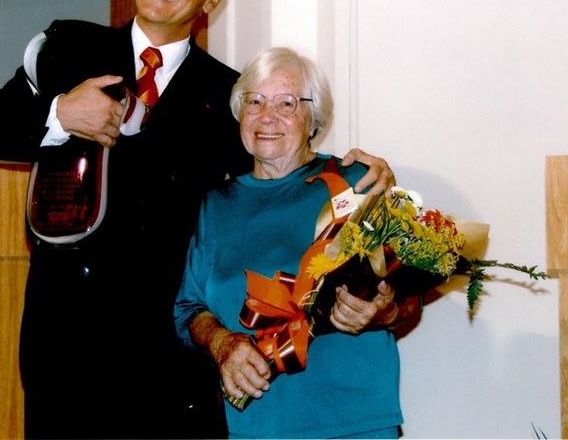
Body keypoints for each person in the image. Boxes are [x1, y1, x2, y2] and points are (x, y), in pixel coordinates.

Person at [0, 0, 395, 440]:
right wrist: (59, 114)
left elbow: (277, 170)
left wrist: (355, 174)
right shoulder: (69, 48)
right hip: (64, 335)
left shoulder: (230, 95)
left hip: (167, 357)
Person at [174, 47, 423, 439]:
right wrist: (221, 342)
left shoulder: (356, 181)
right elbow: (188, 310)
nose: (267, 116)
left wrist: (385, 312)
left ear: (313, 119)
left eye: (286, 103)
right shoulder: (217, 205)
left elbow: (412, 298)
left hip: (355, 422)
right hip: (256, 425)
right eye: (254, 101)